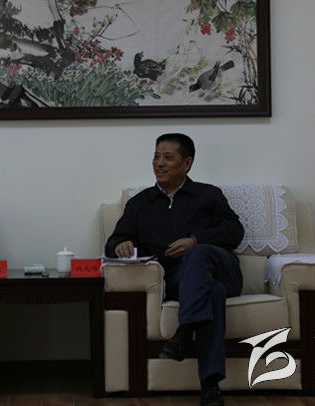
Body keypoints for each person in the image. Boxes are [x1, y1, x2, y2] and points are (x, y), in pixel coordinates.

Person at [104, 133, 243, 406]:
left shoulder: (208, 195)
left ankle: (184, 332)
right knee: (212, 293)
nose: (159, 163)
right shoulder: (140, 203)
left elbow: (235, 231)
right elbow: (113, 241)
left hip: (222, 270)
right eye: (156, 157)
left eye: (168, 157)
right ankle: (211, 386)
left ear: (187, 163)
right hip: (178, 281)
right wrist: (121, 244)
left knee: (199, 254)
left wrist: (196, 240)